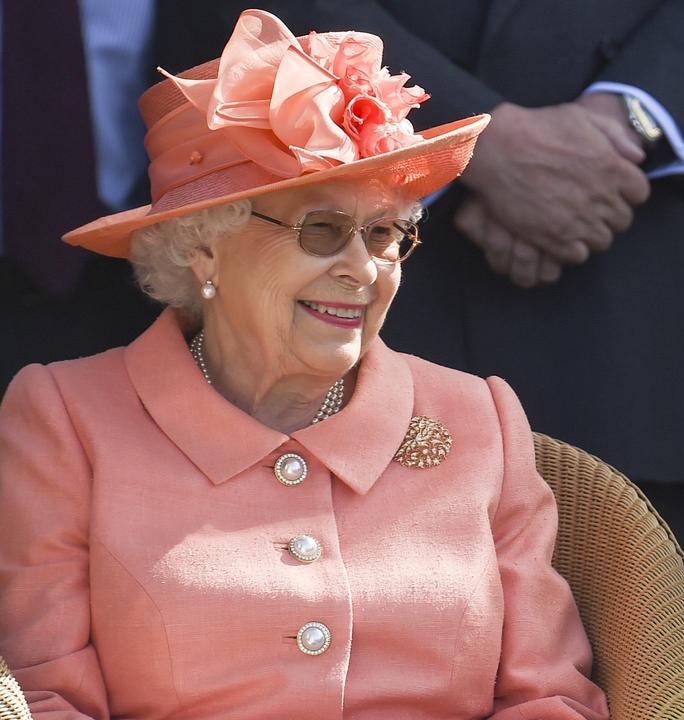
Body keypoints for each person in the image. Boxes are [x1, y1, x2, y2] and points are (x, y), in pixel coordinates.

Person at [0, 10, 607, 719]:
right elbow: (43, 699)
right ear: (204, 250)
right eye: (321, 230)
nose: (364, 269)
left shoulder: (480, 420)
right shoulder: (68, 419)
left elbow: (553, 697)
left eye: (385, 234)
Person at [151, 0, 684, 500]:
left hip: (617, 320)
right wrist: (478, 149)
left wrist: (621, 129)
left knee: (630, 676)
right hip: (324, 295)